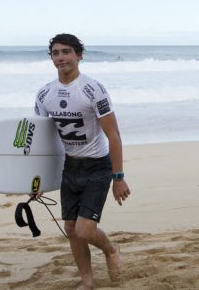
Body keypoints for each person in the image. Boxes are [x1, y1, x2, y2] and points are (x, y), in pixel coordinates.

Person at [34, 33, 130, 289]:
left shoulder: (93, 89)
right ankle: (87, 282)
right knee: (70, 227)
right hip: (70, 167)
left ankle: (110, 249)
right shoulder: (45, 94)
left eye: (66, 52)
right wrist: (38, 178)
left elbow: (114, 135)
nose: (61, 57)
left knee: (84, 231)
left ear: (79, 55)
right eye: (56, 53)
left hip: (98, 166)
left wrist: (118, 177)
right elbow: (44, 140)